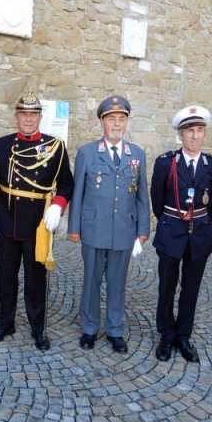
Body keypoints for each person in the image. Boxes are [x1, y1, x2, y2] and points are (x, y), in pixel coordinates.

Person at [0, 92, 74, 350]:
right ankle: (5, 323)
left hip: (38, 225)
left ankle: (37, 327)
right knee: (5, 277)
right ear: (16, 117)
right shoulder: (1, 145)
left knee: (36, 279)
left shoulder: (55, 146)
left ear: (40, 118)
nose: (28, 119)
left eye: (33, 114)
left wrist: (57, 206)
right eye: (24, 114)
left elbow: (67, 183)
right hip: (7, 221)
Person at [67, 95, 150, 354]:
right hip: (93, 230)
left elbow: (141, 194)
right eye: (111, 119)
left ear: (126, 123)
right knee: (91, 281)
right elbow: (78, 191)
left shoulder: (136, 154)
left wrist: (143, 230)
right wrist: (73, 228)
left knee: (117, 283)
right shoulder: (87, 153)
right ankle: (90, 328)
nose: (116, 124)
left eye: (121, 119)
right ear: (102, 123)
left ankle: (115, 330)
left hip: (123, 231)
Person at [150, 105, 212, 363]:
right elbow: (157, 202)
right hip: (172, 232)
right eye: (190, 131)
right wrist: (172, 221)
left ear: (204, 134)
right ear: (180, 135)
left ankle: (184, 336)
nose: (195, 136)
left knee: (191, 289)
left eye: (200, 130)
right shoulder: (165, 163)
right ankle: (166, 336)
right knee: (167, 287)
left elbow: (211, 202)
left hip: (199, 235)